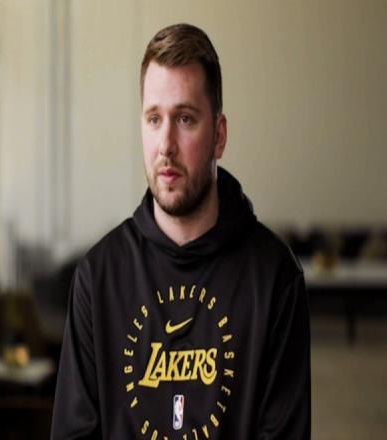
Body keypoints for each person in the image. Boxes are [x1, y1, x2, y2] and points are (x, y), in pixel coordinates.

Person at [51, 23, 310, 439]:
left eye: (185, 119)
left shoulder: (274, 277)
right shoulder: (98, 277)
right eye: (154, 119)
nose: (166, 144)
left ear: (219, 136)